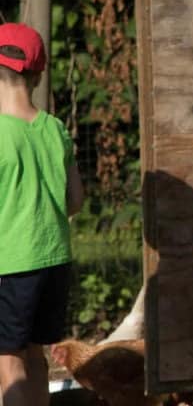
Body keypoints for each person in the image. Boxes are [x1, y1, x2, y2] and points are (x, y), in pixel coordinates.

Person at [0, 22, 84, 406]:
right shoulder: (56, 129)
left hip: (11, 266)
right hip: (54, 263)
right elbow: (76, 200)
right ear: (38, 73)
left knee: (8, 365)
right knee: (35, 359)